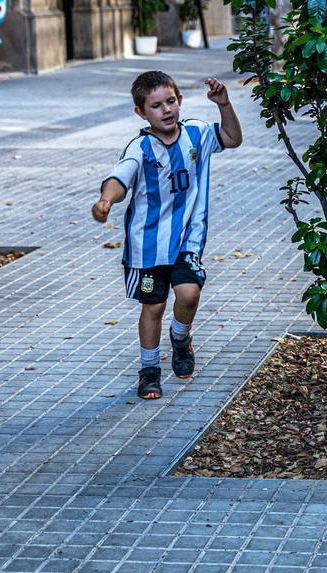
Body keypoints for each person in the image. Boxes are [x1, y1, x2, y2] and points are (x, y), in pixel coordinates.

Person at [93, 71, 243, 400]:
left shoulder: (197, 133)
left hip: (187, 239)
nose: (166, 110)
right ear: (141, 113)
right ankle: (149, 369)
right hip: (147, 247)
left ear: (180, 101)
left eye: (171, 101)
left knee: (188, 294)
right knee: (154, 307)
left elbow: (232, 138)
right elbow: (120, 178)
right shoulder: (141, 147)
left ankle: (180, 336)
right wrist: (106, 200)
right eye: (156, 105)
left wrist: (225, 105)